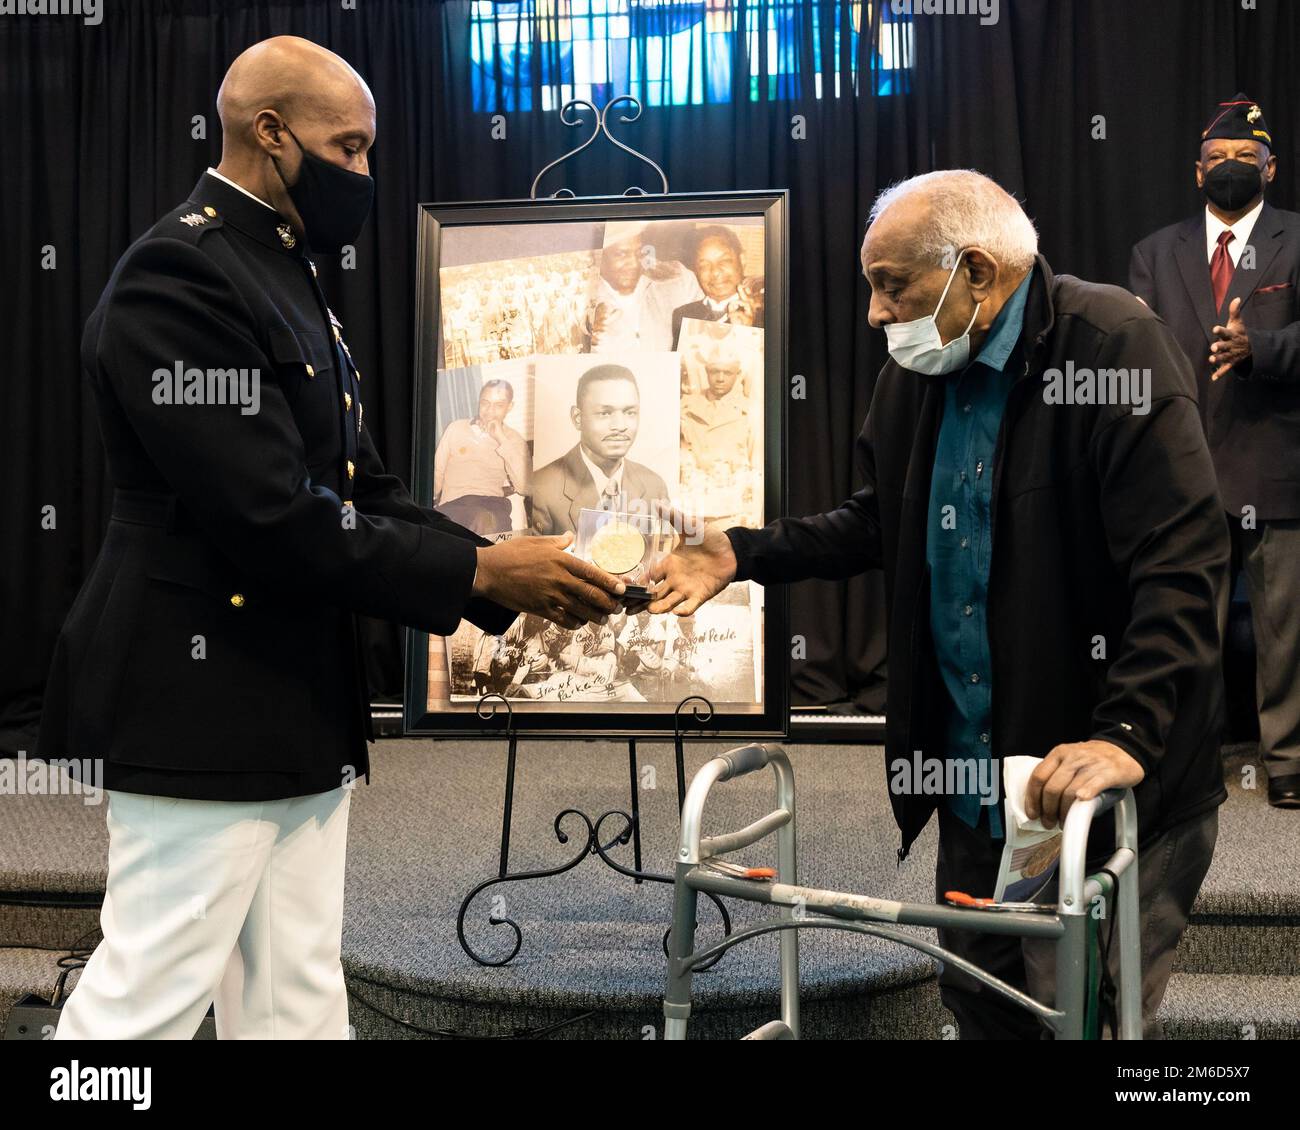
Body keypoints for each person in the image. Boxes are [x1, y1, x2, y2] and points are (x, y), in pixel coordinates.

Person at [37, 36, 625, 1041]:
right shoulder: (179, 274)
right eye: (348, 147)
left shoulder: (279, 262)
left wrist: (501, 574)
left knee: (294, 993)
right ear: (271, 132)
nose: (363, 171)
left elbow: (362, 486)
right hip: (196, 699)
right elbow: (269, 513)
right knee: (143, 1001)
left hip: (291, 695)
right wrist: (478, 565)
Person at [649, 170, 1228, 1039]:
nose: (878, 313)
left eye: (893, 285)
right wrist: (744, 551)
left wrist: (1126, 734)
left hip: (1099, 787)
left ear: (978, 273)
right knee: (983, 1012)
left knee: (1087, 1016)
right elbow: (879, 522)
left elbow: (1182, 565)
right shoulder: (918, 370)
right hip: (971, 784)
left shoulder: (1114, 346)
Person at [1130, 94, 1300, 809]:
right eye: (1217, 159)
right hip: (1184, 469)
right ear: (1196, 172)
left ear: (1270, 167)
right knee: (1186, 618)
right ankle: (1191, 756)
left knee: (1283, 624)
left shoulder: (1297, 237)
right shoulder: (1153, 252)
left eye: (1245, 158)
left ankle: (1286, 758)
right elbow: (1135, 348)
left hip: (1276, 461)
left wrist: (1260, 347)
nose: (1232, 168)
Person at [530, 364, 669, 535]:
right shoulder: (541, 490)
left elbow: (661, 556)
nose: (620, 426)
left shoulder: (655, 486)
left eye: (630, 412)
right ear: (577, 418)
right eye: (605, 413)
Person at [434, 379, 530, 535]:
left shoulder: (513, 440)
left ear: (509, 407)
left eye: (498, 405)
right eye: (485, 403)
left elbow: (525, 487)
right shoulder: (456, 428)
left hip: (495, 507)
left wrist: (501, 438)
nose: (490, 411)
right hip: (455, 507)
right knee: (481, 520)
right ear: (478, 402)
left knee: (487, 520)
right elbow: (436, 475)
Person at [585, 222, 701, 352]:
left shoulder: (678, 279)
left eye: (638, 252)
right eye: (621, 254)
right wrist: (585, 332)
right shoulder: (580, 300)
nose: (635, 264)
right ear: (599, 257)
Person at [671, 225, 765, 346]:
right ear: (696, 271)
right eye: (704, 265)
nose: (715, 272)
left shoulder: (766, 312)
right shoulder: (684, 315)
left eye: (724, 261)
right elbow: (679, 364)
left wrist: (748, 333)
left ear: (742, 260)